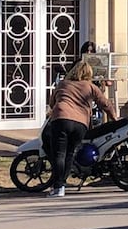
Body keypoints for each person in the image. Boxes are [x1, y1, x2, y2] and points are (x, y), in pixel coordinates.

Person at [46, 60, 118, 197]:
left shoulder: (63, 84)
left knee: (59, 154)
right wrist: (114, 117)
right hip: (80, 123)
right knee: (70, 153)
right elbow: (105, 104)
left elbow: (51, 103)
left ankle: (57, 186)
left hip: (61, 119)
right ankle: (61, 186)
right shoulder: (91, 87)